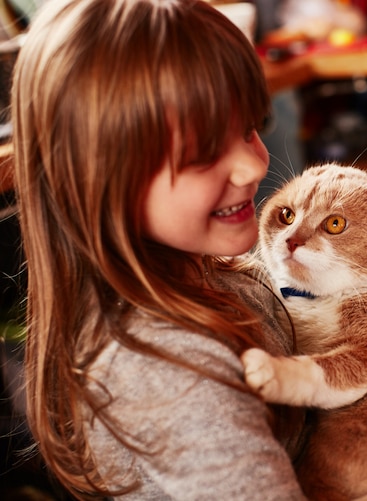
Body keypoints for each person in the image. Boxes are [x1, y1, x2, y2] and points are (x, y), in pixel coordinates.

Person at [12, 0, 307, 499]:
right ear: (97, 179)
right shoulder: (168, 369)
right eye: (203, 153)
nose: (253, 166)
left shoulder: (205, 270)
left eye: (249, 127)